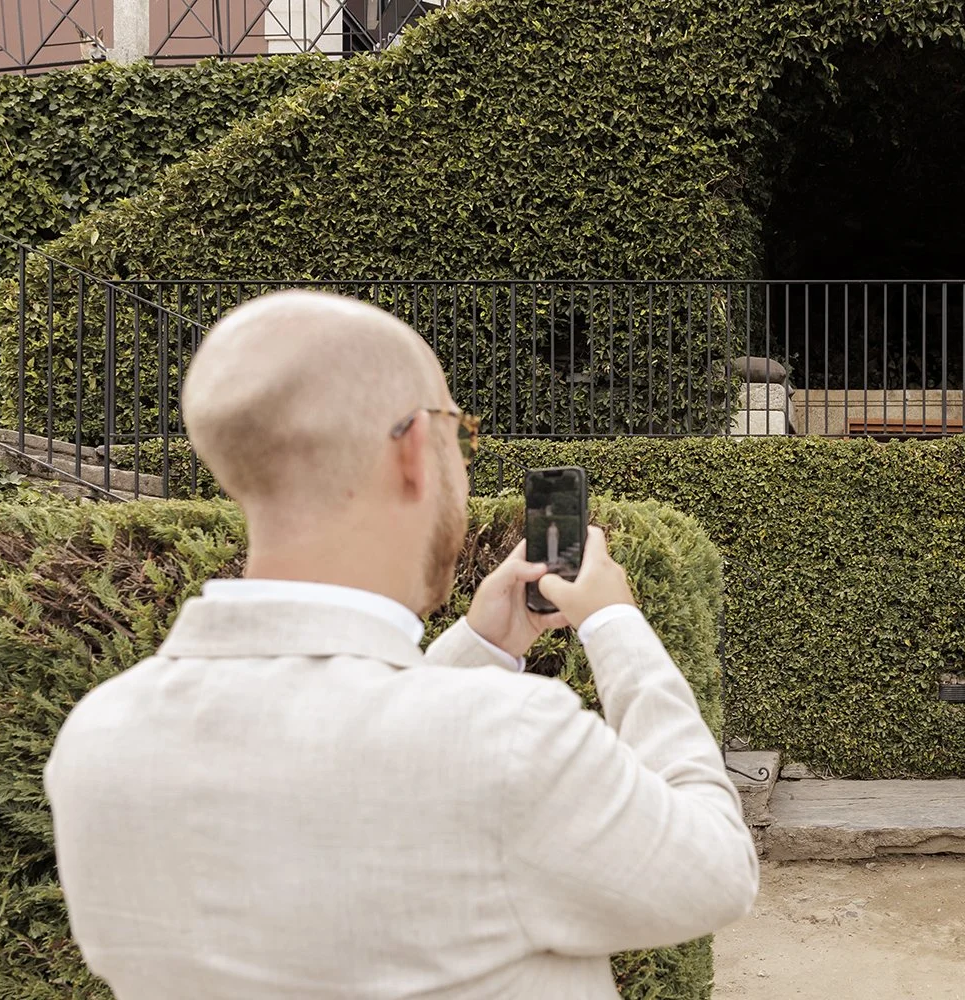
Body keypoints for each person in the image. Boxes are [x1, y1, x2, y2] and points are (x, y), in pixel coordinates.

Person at [43, 289, 759, 999]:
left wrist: (480, 645)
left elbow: (338, 754)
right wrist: (615, 624)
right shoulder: (508, 741)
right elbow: (716, 869)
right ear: (417, 448)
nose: (465, 460)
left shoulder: (98, 739)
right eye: (461, 432)